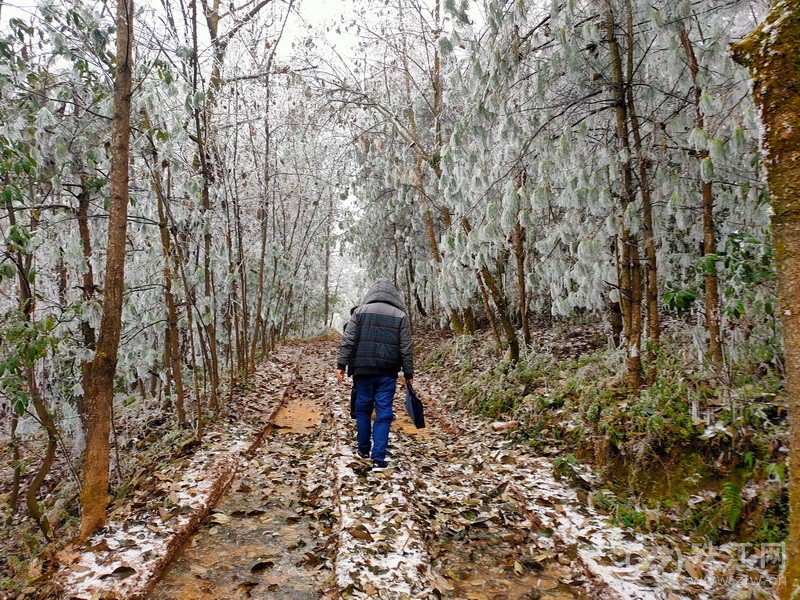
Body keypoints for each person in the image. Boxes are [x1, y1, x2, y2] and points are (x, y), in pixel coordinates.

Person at [336, 279, 414, 469]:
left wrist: (341, 364)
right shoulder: (401, 316)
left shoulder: (359, 312)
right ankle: (378, 458)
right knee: (384, 413)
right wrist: (408, 372)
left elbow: (348, 340)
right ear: (394, 296)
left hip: (363, 371)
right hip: (387, 373)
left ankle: (363, 449)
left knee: (362, 408)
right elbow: (406, 348)